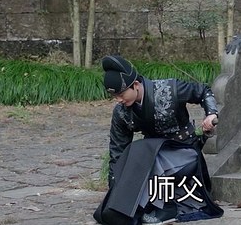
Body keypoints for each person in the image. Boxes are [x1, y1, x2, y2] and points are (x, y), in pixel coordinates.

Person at [93, 55, 224, 225]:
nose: (119, 100)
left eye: (121, 94)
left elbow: (203, 91)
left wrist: (211, 114)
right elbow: (118, 150)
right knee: (135, 152)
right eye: (114, 96)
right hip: (153, 155)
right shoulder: (121, 113)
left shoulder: (169, 89)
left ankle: (167, 208)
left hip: (185, 153)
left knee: (145, 151)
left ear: (136, 85)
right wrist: (115, 190)